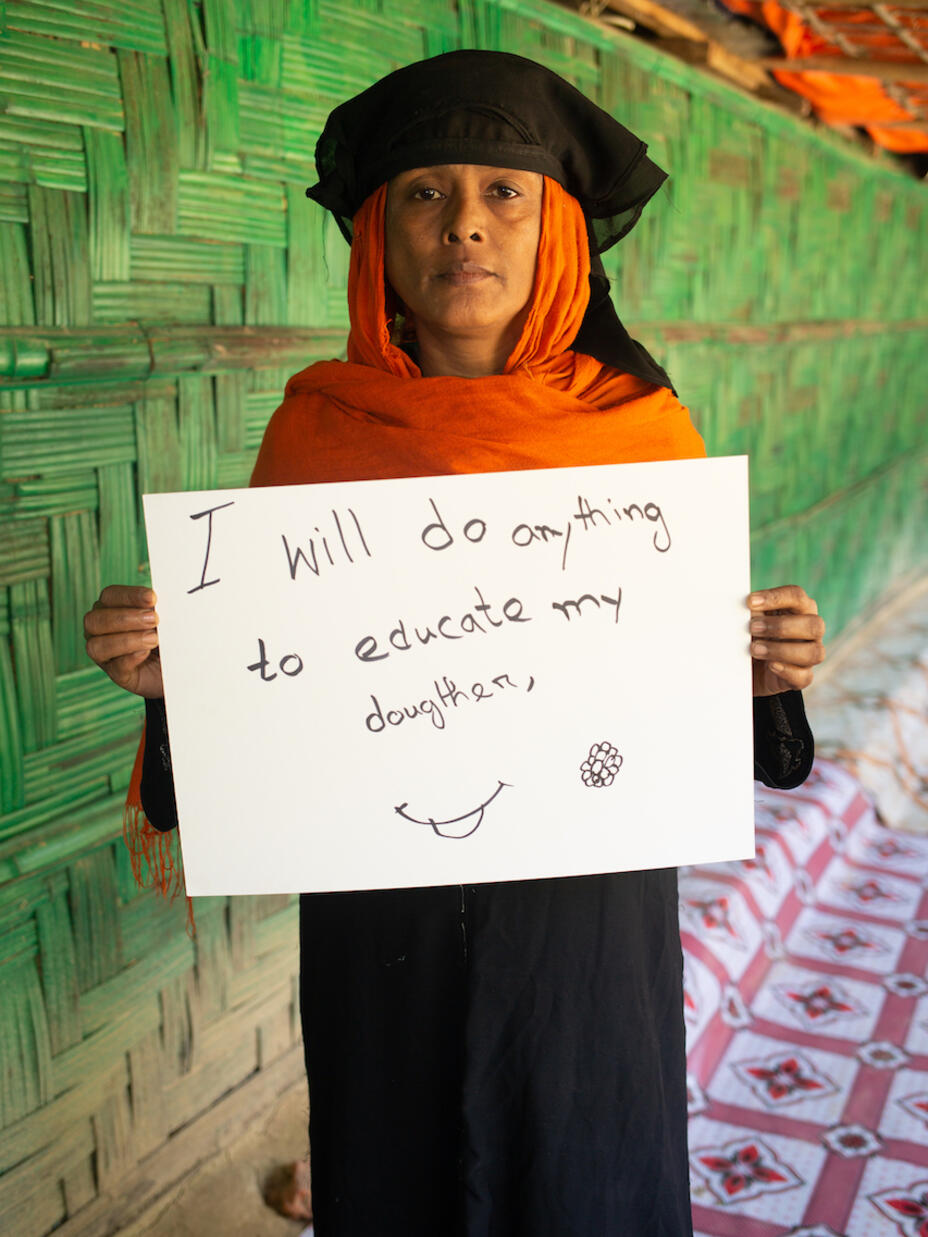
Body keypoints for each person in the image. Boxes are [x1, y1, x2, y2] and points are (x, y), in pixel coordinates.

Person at [84, 50, 826, 1237]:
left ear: (559, 235)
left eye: (503, 194)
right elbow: (278, 688)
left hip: (586, 915)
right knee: (394, 1165)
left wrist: (762, 677)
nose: (465, 227)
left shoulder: (638, 434)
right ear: (381, 234)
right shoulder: (317, 437)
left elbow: (698, 712)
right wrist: (181, 682)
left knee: (586, 1167)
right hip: (382, 921)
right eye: (425, 194)